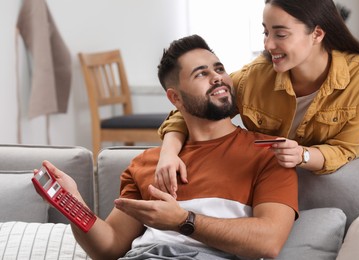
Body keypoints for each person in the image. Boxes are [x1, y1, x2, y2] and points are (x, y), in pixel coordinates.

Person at [37, 35, 298, 260]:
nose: (217, 78)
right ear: (175, 98)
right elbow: (110, 247)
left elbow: (269, 241)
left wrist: (182, 221)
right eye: (201, 74)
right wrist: (72, 204)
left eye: (219, 69)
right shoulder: (147, 163)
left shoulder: (268, 153)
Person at [155, 0, 359, 197]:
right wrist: (168, 154)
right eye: (266, 32)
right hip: (267, 189)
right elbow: (189, 110)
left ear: (317, 34)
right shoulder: (254, 78)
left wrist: (302, 155)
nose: (268, 45)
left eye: (280, 34)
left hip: (329, 188)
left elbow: (346, 149)